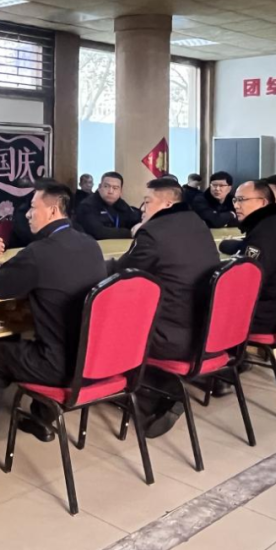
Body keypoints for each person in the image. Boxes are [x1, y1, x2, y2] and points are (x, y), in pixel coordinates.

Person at [0, 181, 107, 464]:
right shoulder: (90, 245)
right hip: (91, 360)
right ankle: (41, 420)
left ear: (51, 210)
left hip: (56, 365)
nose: (27, 214)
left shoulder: (39, 253)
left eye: (33, 208)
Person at [106, 177, 221, 437]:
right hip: (204, 329)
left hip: (170, 335)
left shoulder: (153, 232)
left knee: (104, 319)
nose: (142, 208)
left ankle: (154, 393)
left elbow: (124, 272)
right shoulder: (197, 222)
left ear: (167, 203)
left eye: (147, 202)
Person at [219, 180, 276, 339]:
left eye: (241, 200)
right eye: (234, 200)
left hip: (263, 315)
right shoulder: (270, 224)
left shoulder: (265, 235)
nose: (236, 205)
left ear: (263, 202)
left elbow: (248, 283)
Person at [75, 171, 140, 239]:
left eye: (115, 188)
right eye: (106, 186)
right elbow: (99, 232)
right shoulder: (87, 205)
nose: (110, 191)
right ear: (99, 187)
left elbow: (134, 219)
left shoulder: (121, 204)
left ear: (121, 191)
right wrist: (130, 233)